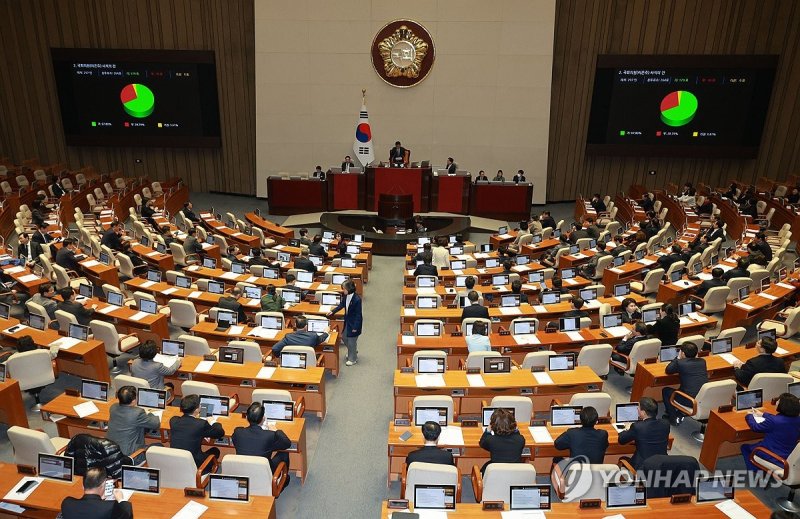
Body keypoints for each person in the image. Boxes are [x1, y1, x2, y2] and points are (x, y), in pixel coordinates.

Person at [232, 402, 292, 485]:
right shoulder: (269, 435)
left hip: (243, 471)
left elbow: (235, 440)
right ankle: (282, 481)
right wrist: (276, 430)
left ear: (246, 417)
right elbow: (287, 443)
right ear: (263, 419)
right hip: (264, 471)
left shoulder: (238, 432)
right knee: (284, 453)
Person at [741, 393, 800, 472]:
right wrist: (763, 414)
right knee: (758, 443)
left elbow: (755, 427)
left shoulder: (774, 421)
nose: (776, 403)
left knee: (745, 447)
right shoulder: (797, 419)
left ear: (783, 406)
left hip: (773, 454)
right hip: (789, 454)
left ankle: (757, 475)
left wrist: (749, 416)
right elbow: (778, 419)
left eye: (778, 401)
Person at [106, 385, 161, 463]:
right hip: (129, 456)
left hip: (110, 451)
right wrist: (150, 413)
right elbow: (156, 424)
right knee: (159, 446)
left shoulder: (113, 407)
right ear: (133, 401)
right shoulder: (137, 413)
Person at [169, 394, 224, 470]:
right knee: (215, 451)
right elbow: (219, 433)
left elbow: (188, 429)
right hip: (195, 463)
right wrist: (213, 421)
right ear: (197, 410)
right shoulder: (201, 424)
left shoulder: (173, 421)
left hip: (175, 461)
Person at [662, 343, 708, 426]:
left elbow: (668, 370)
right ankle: (680, 412)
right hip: (703, 398)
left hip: (690, 400)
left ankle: (673, 418)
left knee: (665, 391)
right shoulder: (702, 361)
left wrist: (678, 358)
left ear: (682, 353)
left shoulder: (680, 363)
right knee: (683, 387)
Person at [60, 467, 133, 519]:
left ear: (83, 486)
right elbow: (127, 515)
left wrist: (100, 500)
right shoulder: (110, 506)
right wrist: (121, 500)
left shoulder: (66, 503)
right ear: (103, 485)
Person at [618, 397, 670, 469]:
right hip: (661, 465)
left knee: (622, 458)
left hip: (642, 468)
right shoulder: (665, 423)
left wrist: (626, 429)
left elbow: (621, 440)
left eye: (638, 407)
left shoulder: (638, 427)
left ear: (643, 412)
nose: (637, 409)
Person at [479, 408, 525, 474]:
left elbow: (482, 443)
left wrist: (487, 431)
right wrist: (516, 430)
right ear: (513, 424)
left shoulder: (491, 440)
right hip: (515, 474)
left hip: (496, 473)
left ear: (492, 425)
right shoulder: (520, 439)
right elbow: (517, 437)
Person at [327, 280, 362, 366]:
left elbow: (358, 315)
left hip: (354, 323)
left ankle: (353, 359)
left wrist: (355, 327)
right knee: (344, 337)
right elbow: (342, 305)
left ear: (349, 289)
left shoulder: (357, 299)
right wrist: (333, 311)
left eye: (344, 289)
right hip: (348, 321)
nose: (343, 290)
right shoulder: (346, 296)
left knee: (351, 341)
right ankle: (352, 350)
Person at [64, 434, 129, 479]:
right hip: (97, 482)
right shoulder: (111, 448)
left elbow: (67, 463)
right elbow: (119, 475)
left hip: (80, 478)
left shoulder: (77, 438)